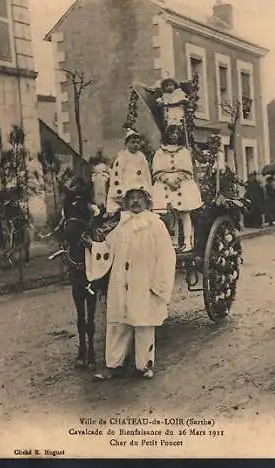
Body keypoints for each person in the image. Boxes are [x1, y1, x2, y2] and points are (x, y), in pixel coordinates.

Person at [94, 186, 176, 380]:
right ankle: (114, 365)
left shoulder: (155, 225)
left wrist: (158, 284)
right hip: (122, 281)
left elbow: (166, 256)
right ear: (126, 202)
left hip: (144, 282)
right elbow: (108, 248)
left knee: (143, 323)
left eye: (140, 198)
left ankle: (144, 365)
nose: (136, 202)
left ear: (147, 202)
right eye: (132, 198)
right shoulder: (121, 225)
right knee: (118, 322)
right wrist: (92, 245)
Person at [152, 124, 202, 252]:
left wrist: (177, 180)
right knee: (170, 214)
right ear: (167, 135)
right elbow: (156, 169)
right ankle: (173, 243)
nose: (174, 136)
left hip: (182, 185)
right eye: (172, 133)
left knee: (184, 214)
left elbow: (187, 168)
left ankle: (187, 242)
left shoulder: (184, 151)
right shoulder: (160, 152)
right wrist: (168, 180)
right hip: (165, 185)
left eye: (177, 133)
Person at [106, 128, 152, 214]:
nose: (135, 145)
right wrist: (119, 192)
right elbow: (117, 175)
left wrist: (148, 189)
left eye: (138, 143)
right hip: (126, 188)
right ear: (127, 144)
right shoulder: (122, 156)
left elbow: (147, 175)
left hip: (140, 189)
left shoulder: (142, 157)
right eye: (133, 142)